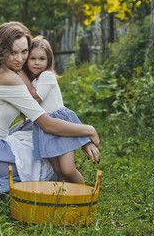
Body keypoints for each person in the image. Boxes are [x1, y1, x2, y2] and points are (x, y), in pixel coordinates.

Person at [0, 21, 100, 195]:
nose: (20, 59)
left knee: (31, 130)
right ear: (1, 50)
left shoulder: (2, 71)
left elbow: (44, 112)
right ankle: (74, 194)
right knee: (48, 153)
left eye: (24, 52)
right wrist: (88, 131)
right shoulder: (10, 78)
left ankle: (67, 192)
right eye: (13, 52)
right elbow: (48, 124)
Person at [11, 36, 96, 184]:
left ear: (49, 60)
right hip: (45, 128)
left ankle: (84, 196)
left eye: (42, 58)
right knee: (56, 169)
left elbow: (35, 98)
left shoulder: (47, 76)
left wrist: (19, 73)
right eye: (33, 58)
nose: (37, 63)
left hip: (60, 124)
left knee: (67, 169)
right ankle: (63, 197)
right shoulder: (33, 80)